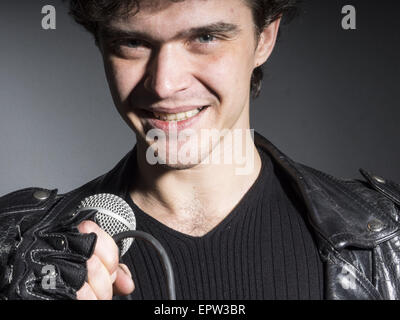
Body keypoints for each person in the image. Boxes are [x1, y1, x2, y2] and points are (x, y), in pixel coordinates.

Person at [1, 0, 400, 300]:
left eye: (205, 37)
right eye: (133, 42)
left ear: (264, 38)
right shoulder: (16, 251)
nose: (164, 85)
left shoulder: (389, 239)